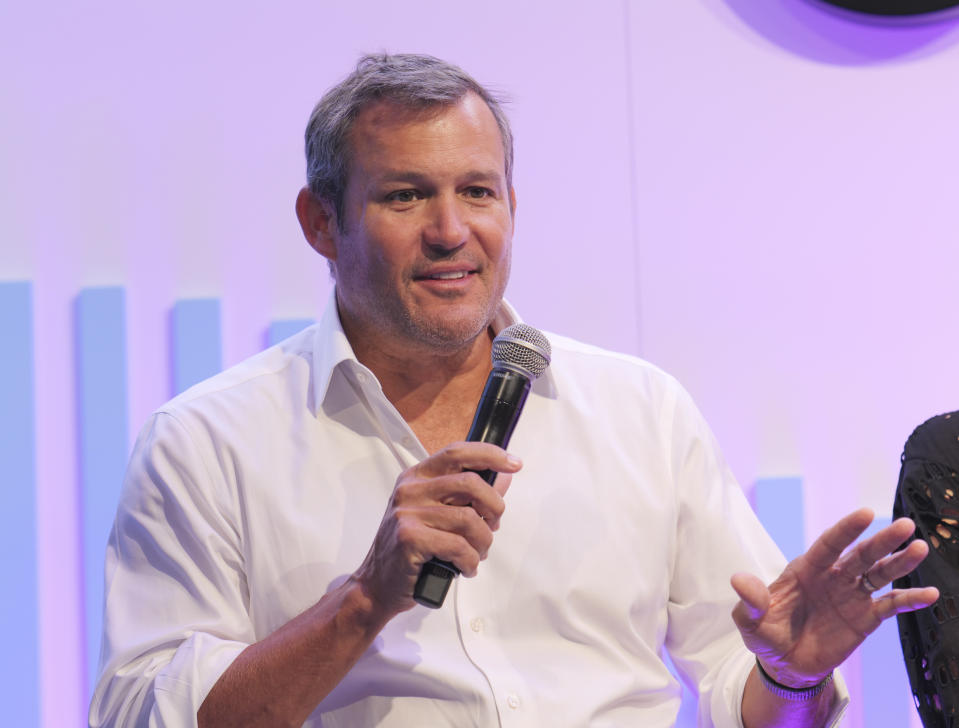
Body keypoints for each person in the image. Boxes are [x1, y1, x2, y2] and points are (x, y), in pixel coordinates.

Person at [89, 53, 938, 728]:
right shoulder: (205, 442)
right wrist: (362, 600)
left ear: (512, 205)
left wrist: (787, 676)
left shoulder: (638, 410)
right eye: (405, 195)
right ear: (320, 222)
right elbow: (144, 716)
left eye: (476, 192)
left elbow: (747, 698)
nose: (451, 232)